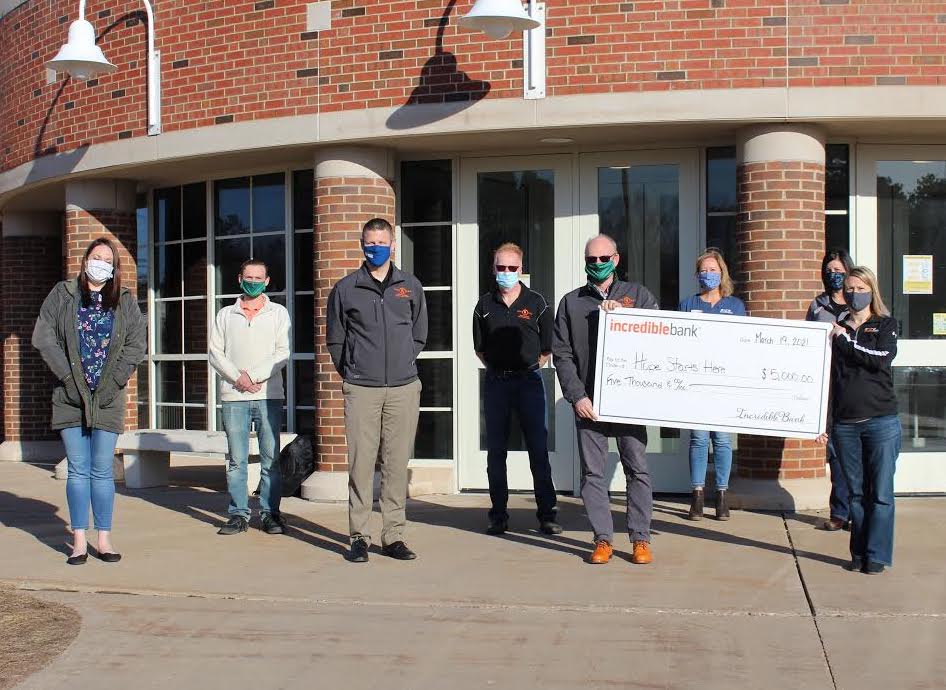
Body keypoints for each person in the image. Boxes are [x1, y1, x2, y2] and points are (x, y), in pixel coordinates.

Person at [32, 238, 147, 565]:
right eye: (95, 257)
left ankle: (104, 539)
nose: (100, 263)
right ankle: (79, 541)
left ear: (114, 267)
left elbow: (136, 344)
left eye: (106, 259)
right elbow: (43, 336)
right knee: (78, 470)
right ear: (85, 260)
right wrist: (67, 378)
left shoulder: (123, 300)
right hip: (70, 397)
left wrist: (114, 381)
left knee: (102, 470)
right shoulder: (63, 294)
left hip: (108, 397)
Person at [552, 234, 659, 565]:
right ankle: (602, 540)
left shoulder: (638, 296)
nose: (596, 264)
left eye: (603, 259)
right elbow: (562, 353)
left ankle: (640, 538)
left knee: (637, 469)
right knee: (593, 474)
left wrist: (624, 318)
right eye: (591, 260)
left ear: (616, 259)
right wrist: (576, 396)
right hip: (589, 403)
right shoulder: (571, 302)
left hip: (628, 401)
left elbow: (659, 336)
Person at [326, 218, 427, 563]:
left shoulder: (410, 286)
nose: (375, 248)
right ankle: (359, 536)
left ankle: (394, 536)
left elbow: (419, 334)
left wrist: (400, 365)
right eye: (370, 242)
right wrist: (354, 370)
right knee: (361, 464)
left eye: (382, 242)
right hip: (362, 389)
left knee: (397, 464)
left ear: (393, 244)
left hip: (403, 388)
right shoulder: (345, 288)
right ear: (361, 244)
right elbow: (336, 339)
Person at [473, 242, 561, 536]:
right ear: (493, 268)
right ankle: (498, 515)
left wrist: (524, 368)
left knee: (538, 449)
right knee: (496, 452)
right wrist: (501, 368)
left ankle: (547, 514)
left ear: (521, 269)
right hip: (497, 383)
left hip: (529, 383)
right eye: (501, 268)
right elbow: (480, 349)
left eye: (512, 268)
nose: (506, 273)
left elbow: (547, 347)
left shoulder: (537, 303)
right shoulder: (484, 305)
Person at [817, 266, 900, 575]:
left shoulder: (885, 324)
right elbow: (830, 380)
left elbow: (879, 360)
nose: (853, 293)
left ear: (871, 290)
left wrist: (846, 343)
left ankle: (876, 555)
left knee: (879, 493)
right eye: (849, 289)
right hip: (846, 424)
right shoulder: (837, 327)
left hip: (881, 421)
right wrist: (822, 423)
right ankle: (859, 552)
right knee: (854, 493)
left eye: (859, 288)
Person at [209, 259, 290, 536]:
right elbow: (215, 353)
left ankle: (270, 514)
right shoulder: (224, 315)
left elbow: (282, 353)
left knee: (270, 460)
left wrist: (253, 376)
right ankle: (238, 515)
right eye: (248, 277)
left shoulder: (278, 313)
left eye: (258, 277)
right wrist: (238, 378)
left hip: (269, 395)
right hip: (233, 397)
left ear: (267, 281)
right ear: (239, 278)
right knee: (236, 460)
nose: (253, 281)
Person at [678, 248, 746, 521]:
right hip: (697, 384)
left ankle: (721, 495)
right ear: (697, 274)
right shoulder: (687, 304)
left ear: (723, 273)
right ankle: (696, 495)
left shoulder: (736, 306)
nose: (708, 275)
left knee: (722, 439)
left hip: (724, 384)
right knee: (698, 438)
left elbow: (744, 343)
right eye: (704, 270)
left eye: (713, 270)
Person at [807, 248, 854, 532]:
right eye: (829, 271)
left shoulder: (861, 306)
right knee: (835, 451)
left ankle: (857, 510)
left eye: (839, 270)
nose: (834, 275)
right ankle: (840, 511)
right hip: (828, 385)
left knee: (854, 452)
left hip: (853, 383)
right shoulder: (818, 305)